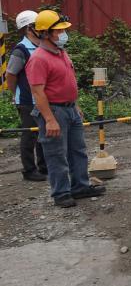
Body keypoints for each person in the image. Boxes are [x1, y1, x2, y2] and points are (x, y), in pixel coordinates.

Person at [26, 10, 106, 208]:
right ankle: (61, 193)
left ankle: (80, 186)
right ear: (45, 33)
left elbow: (67, 82)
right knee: (56, 154)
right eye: (59, 30)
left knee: (78, 150)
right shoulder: (38, 59)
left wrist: (75, 105)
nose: (63, 34)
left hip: (69, 109)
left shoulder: (61, 52)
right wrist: (49, 119)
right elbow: (37, 93)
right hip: (54, 111)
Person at [6, 10, 48, 181]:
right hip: (27, 101)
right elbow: (10, 75)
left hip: (42, 99)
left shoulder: (43, 46)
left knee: (43, 134)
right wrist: (16, 94)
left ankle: (44, 167)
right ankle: (29, 170)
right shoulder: (21, 50)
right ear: (29, 28)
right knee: (30, 135)